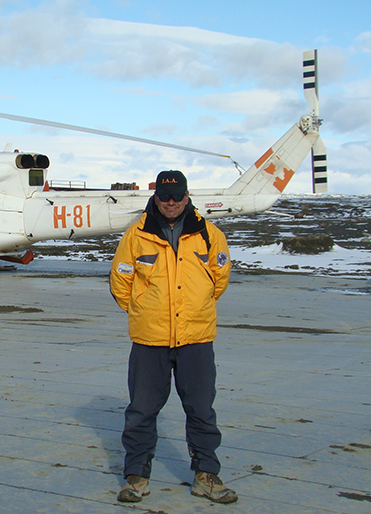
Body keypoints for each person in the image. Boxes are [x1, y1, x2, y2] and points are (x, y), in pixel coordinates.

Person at [109, 170, 236, 504]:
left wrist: (195, 308)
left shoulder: (210, 235)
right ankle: (136, 476)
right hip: (150, 340)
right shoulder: (136, 235)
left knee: (201, 409)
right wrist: (142, 310)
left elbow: (218, 280)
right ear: (155, 197)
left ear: (187, 195)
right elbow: (121, 282)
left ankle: (206, 476)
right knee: (142, 409)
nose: (170, 203)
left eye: (177, 196)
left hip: (196, 337)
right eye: (164, 197)